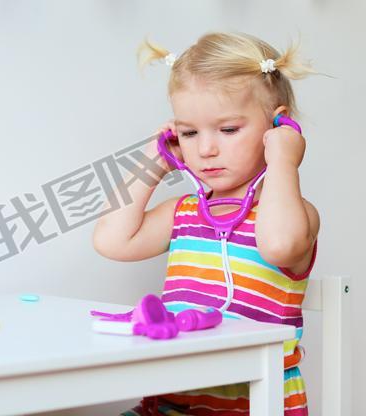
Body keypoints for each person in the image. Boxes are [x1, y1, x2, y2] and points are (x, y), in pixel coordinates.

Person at [93, 31, 320, 416]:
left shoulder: (295, 215)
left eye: (228, 129)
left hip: (254, 405)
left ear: (280, 127)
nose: (205, 149)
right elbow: (111, 241)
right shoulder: (182, 213)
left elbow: (280, 246)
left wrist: (283, 160)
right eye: (189, 132)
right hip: (169, 403)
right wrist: (155, 159)